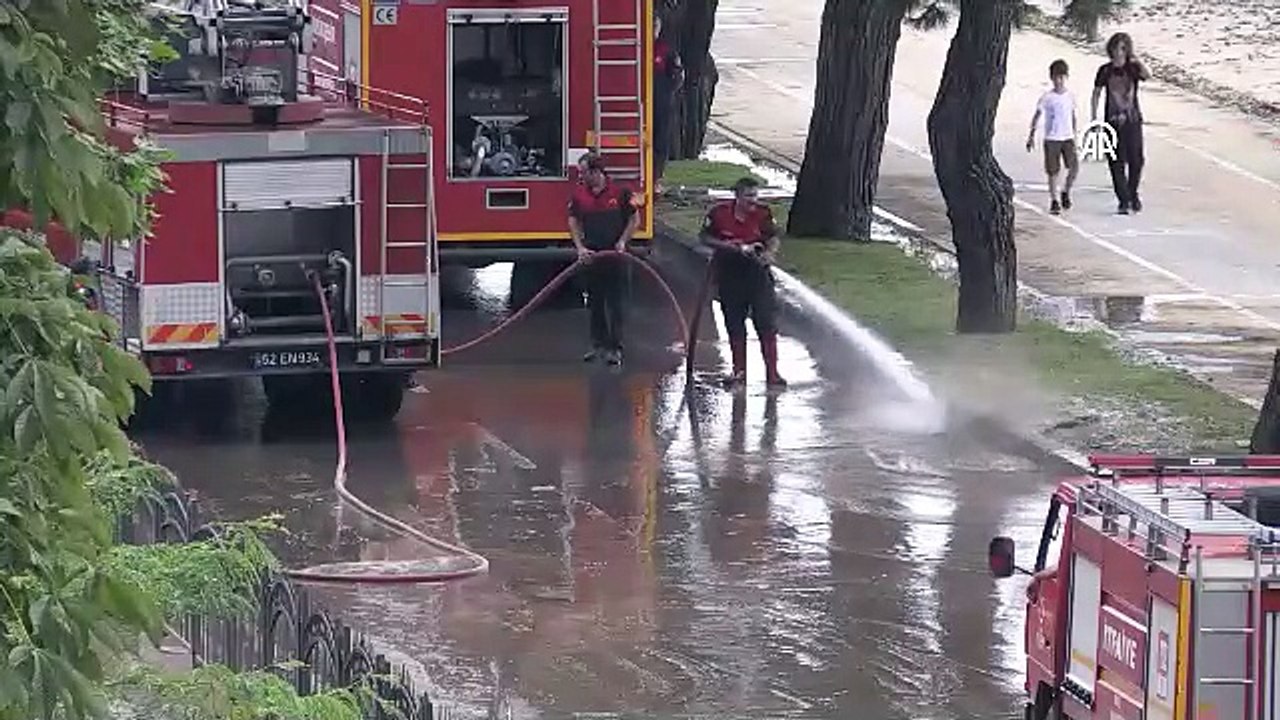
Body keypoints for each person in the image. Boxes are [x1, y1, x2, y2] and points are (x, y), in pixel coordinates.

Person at [698, 177, 786, 389]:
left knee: (766, 323)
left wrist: (768, 254)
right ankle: (739, 372)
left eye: (755, 195)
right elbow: (704, 238)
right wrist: (731, 246)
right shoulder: (719, 214)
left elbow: (773, 238)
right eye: (748, 196)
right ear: (737, 196)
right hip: (730, 276)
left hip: (758, 277)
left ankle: (773, 374)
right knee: (735, 325)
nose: (752, 201)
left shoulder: (763, 214)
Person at [568, 155, 639, 366]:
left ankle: (615, 348)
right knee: (595, 302)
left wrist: (622, 242)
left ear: (595, 172)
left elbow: (635, 219)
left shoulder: (621, 193)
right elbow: (572, 220)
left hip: (616, 256)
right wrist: (580, 247)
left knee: (616, 304)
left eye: (583, 172)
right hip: (593, 256)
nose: (580, 176)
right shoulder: (580, 195)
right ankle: (597, 345)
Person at [1092, 32, 1151, 215]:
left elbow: (1148, 75)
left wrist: (1137, 59)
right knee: (1116, 162)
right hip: (1112, 122)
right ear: (1111, 49)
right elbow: (1096, 93)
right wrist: (1094, 118)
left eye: (1123, 48)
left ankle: (1132, 193)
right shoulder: (1105, 70)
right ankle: (1123, 200)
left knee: (1137, 160)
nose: (1120, 52)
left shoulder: (1132, 69)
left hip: (1132, 121)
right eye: (1117, 48)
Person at [1026, 59, 1079, 215]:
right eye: (1056, 77)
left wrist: (1075, 134)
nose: (1058, 81)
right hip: (1052, 138)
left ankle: (1066, 191)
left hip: (1067, 136)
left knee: (1073, 168)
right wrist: (1031, 134)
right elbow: (1037, 115)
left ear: (1066, 77)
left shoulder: (1070, 96)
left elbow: (1073, 115)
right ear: (1052, 78)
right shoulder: (1047, 98)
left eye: (1061, 77)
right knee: (1053, 171)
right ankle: (1054, 200)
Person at [652, 17, 683, 194]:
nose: (653, 30)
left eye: (655, 26)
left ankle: (656, 179)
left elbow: (677, 76)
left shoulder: (666, 49)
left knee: (661, 143)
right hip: (640, 105)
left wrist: (667, 93)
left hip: (662, 105)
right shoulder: (637, 46)